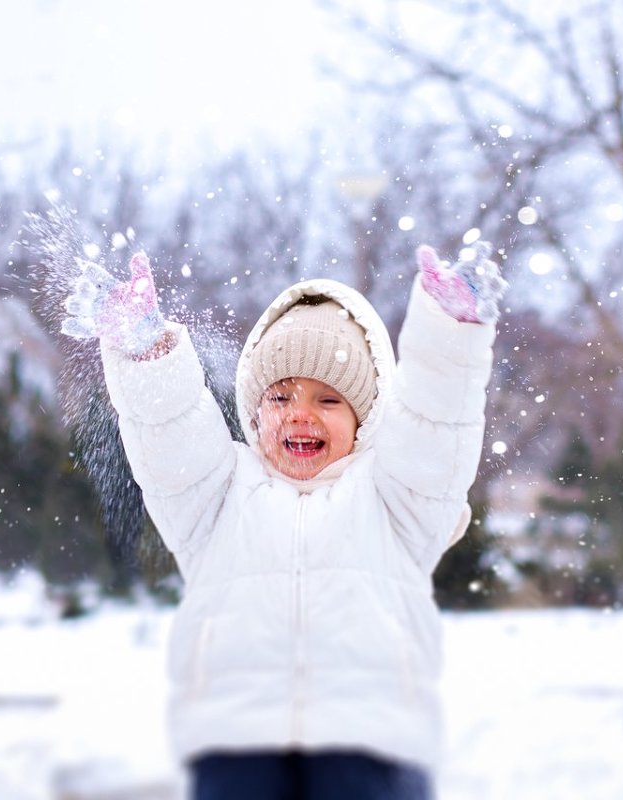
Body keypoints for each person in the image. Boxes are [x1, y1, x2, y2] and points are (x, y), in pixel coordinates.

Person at [62, 238, 506, 799]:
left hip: (371, 738)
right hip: (237, 738)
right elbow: (169, 428)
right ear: (253, 410)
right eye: (280, 397)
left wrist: (449, 331)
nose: (301, 413)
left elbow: (435, 426)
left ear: (364, 418)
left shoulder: (395, 498)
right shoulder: (216, 494)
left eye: (328, 400)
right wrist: (146, 350)